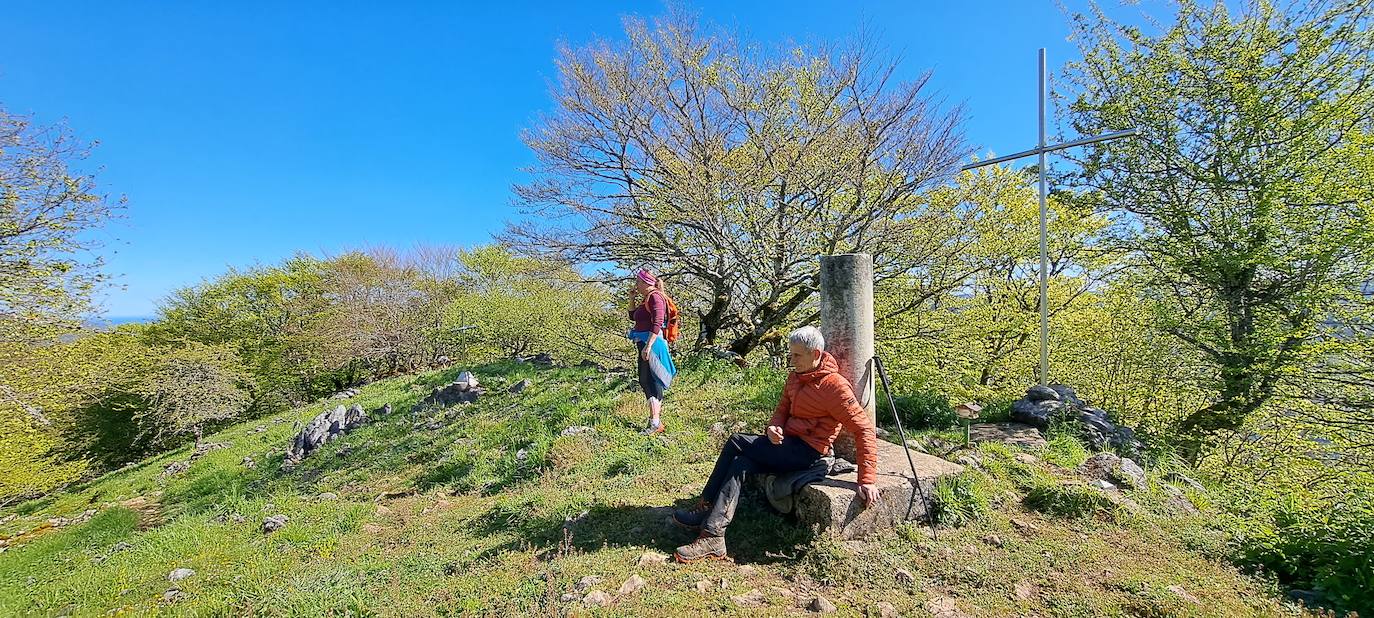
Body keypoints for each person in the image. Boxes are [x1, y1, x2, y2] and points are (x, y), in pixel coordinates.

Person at [671, 325, 879, 563]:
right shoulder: (795, 378)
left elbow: (863, 429)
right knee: (741, 462)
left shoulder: (834, 386)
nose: (791, 360)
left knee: (736, 441)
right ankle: (713, 535)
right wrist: (772, 428)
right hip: (786, 444)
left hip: (808, 452)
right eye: (790, 354)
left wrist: (867, 479)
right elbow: (781, 410)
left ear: (816, 355)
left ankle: (705, 507)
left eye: (797, 355)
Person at [627, 269, 677, 435]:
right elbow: (633, 317)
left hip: (652, 344)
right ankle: (654, 421)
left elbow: (657, 322)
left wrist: (648, 346)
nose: (636, 285)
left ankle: (655, 422)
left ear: (645, 282)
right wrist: (632, 299)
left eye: (638, 282)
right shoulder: (647, 299)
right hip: (644, 342)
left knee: (649, 380)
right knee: (647, 380)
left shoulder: (655, 297)